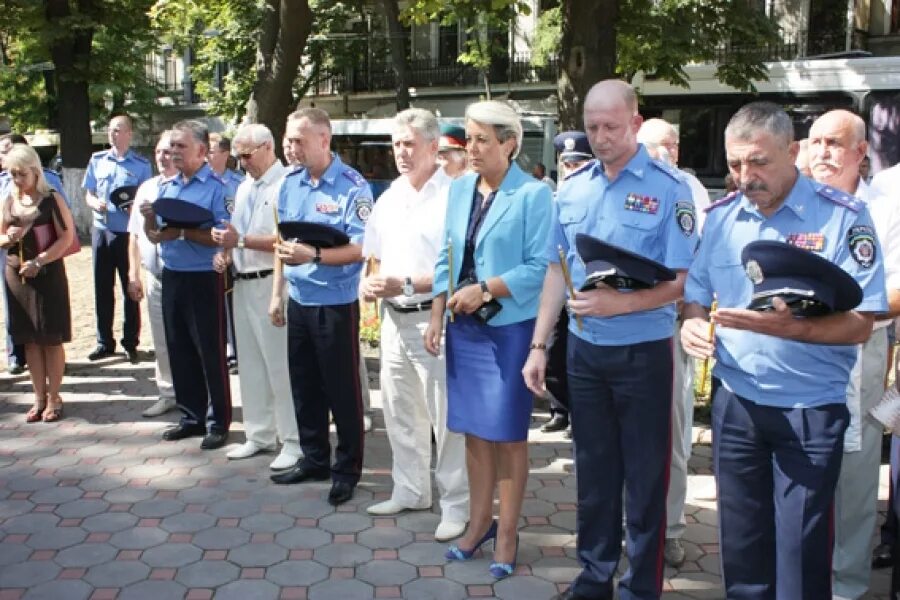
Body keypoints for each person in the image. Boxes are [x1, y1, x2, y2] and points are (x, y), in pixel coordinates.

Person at [681, 101, 886, 600]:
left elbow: (861, 323)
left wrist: (789, 329)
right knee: (743, 547)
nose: (746, 177)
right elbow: (696, 293)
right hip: (737, 405)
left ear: (793, 152)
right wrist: (691, 324)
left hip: (809, 409)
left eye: (759, 163)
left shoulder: (845, 218)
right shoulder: (723, 218)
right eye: (735, 165)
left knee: (801, 554)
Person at [523, 80, 697, 600]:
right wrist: (538, 345)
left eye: (611, 127)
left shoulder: (671, 189)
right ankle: (594, 577)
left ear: (636, 124)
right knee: (594, 473)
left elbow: (683, 282)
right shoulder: (573, 187)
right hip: (584, 351)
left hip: (644, 352)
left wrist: (623, 303)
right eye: (592, 127)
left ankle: (641, 586)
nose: (600, 138)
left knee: (645, 478)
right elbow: (558, 267)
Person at [425, 100, 552, 580]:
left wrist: (486, 290)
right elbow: (446, 255)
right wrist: (438, 312)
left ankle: (507, 533)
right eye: (469, 140)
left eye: (482, 140)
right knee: (474, 432)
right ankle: (478, 523)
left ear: (510, 143)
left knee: (507, 435)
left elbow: (539, 267)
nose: (472, 149)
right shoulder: (459, 190)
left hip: (509, 329)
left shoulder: (534, 195)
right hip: (465, 329)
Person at [360, 108, 468, 541]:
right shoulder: (388, 197)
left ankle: (457, 504)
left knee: (445, 418)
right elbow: (376, 255)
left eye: (409, 144)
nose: (401, 153)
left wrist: (404, 282)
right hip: (393, 318)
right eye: (396, 144)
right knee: (399, 408)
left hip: (435, 317)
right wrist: (372, 284)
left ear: (432, 145)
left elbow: (460, 268)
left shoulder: (456, 196)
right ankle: (410, 489)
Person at [807, 109, 900, 600]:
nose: (821, 152)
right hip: (798, 347)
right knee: (801, 467)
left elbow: (898, 287)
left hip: (860, 348)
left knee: (854, 477)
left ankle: (846, 586)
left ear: (861, 152)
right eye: (815, 141)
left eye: (834, 143)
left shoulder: (884, 207)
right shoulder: (798, 200)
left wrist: (833, 307)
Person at [268, 108, 370, 508]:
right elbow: (282, 243)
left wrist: (314, 255)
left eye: (298, 140)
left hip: (335, 303)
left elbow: (362, 248)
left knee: (341, 392)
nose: (291, 148)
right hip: (300, 301)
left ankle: (346, 470)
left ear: (324, 140)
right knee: (304, 386)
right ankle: (314, 458)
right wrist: (277, 293)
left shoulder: (351, 186)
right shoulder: (289, 184)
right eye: (288, 140)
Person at [636, 117, 710, 568]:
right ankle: (633, 527)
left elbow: (698, 265)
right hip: (623, 328)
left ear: (676, 149)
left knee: (670, 439)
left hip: (669, 328)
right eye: (647, 147)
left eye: (662, 147)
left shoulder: (691, 191)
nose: (655, 155)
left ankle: (670, 531)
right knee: (629, 441)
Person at [210, 123, 301, 471]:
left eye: (247, 155)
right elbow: (239, 234)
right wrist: (226, 255)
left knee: (280, 366)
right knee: (249, 364)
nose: (242, 162)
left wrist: (241, 243)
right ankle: (259, 434)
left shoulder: (286, 184)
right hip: (243, 281)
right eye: (238, 156)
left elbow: (283, 240)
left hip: (270, 282)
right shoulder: (246, 186)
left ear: (267, 147)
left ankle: (292, 440)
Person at [141, 120, 232, 451]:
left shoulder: (217, 188)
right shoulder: (168, 187)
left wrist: (181, 232)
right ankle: (191, 417)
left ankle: (218, 421)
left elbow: (222, 237)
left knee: (209, 351)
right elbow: (155, 235)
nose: (173, 153)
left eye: (180, 146)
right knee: (179, 348)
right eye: (171, 147)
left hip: (203, 277)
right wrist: (150, 216)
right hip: (173, 273)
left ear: (202, 151)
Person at [0, 144, 74, 422]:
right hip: (17, 276)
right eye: (11, 174)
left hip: (47, 275)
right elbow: (0, 236)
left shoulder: (51, 198)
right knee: (30, 339)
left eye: (21, 174)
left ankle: (55, 397)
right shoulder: (8, 199)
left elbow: (66, 238)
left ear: (35, 171)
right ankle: (38, 397)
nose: (17, 180)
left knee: (50, 337)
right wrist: (9, 238)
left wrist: (40, 261)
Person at [82, 115, 150, 364]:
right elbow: (88, 192)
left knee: (130, 286)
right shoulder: (98, 160)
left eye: (118, 130)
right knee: (102, 288)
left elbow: (146, 198)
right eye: (110, 130)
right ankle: (104, 342)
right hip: (101, 230)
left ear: (129, 134)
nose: (113, 134)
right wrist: (93, 202)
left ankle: (130, 341)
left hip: (127, 233)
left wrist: (135, 209)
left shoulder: (141, 165)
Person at [126, 131, 178, 418]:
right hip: (155, 276)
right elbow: (134, 235)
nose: (162, 156)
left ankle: (198, 394)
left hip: (182, 274)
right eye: (158, 151)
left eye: (168, 151)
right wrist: (134, 274)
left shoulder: (184, 187)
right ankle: (167, 392)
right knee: (160, 338)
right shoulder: (146, 187)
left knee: (187, 338)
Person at [207, 132, 243, 375]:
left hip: (232, 253)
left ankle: (235, 351)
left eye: (210, 151)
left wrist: (228, 251)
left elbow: (241, 222)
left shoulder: (239, 183)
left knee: (231, 304)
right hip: (204, 253)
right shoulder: (201, 182)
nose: (206, 156)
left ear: (225, 154)